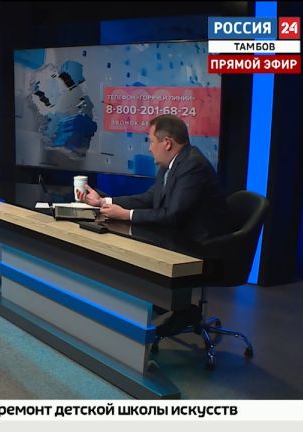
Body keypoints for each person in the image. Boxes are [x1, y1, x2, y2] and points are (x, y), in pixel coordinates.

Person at [77, 114, 231, 336]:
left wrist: (127, 215)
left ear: (167, 143)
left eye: (151, 141)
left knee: (141, 249)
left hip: (203, 248)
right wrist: (103, 201)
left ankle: (179, 309)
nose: (149, 148)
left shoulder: (192, 165)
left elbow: (173, 215)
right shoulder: (172, 165)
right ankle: (166, 306)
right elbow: (149, 198)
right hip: (182, 237)